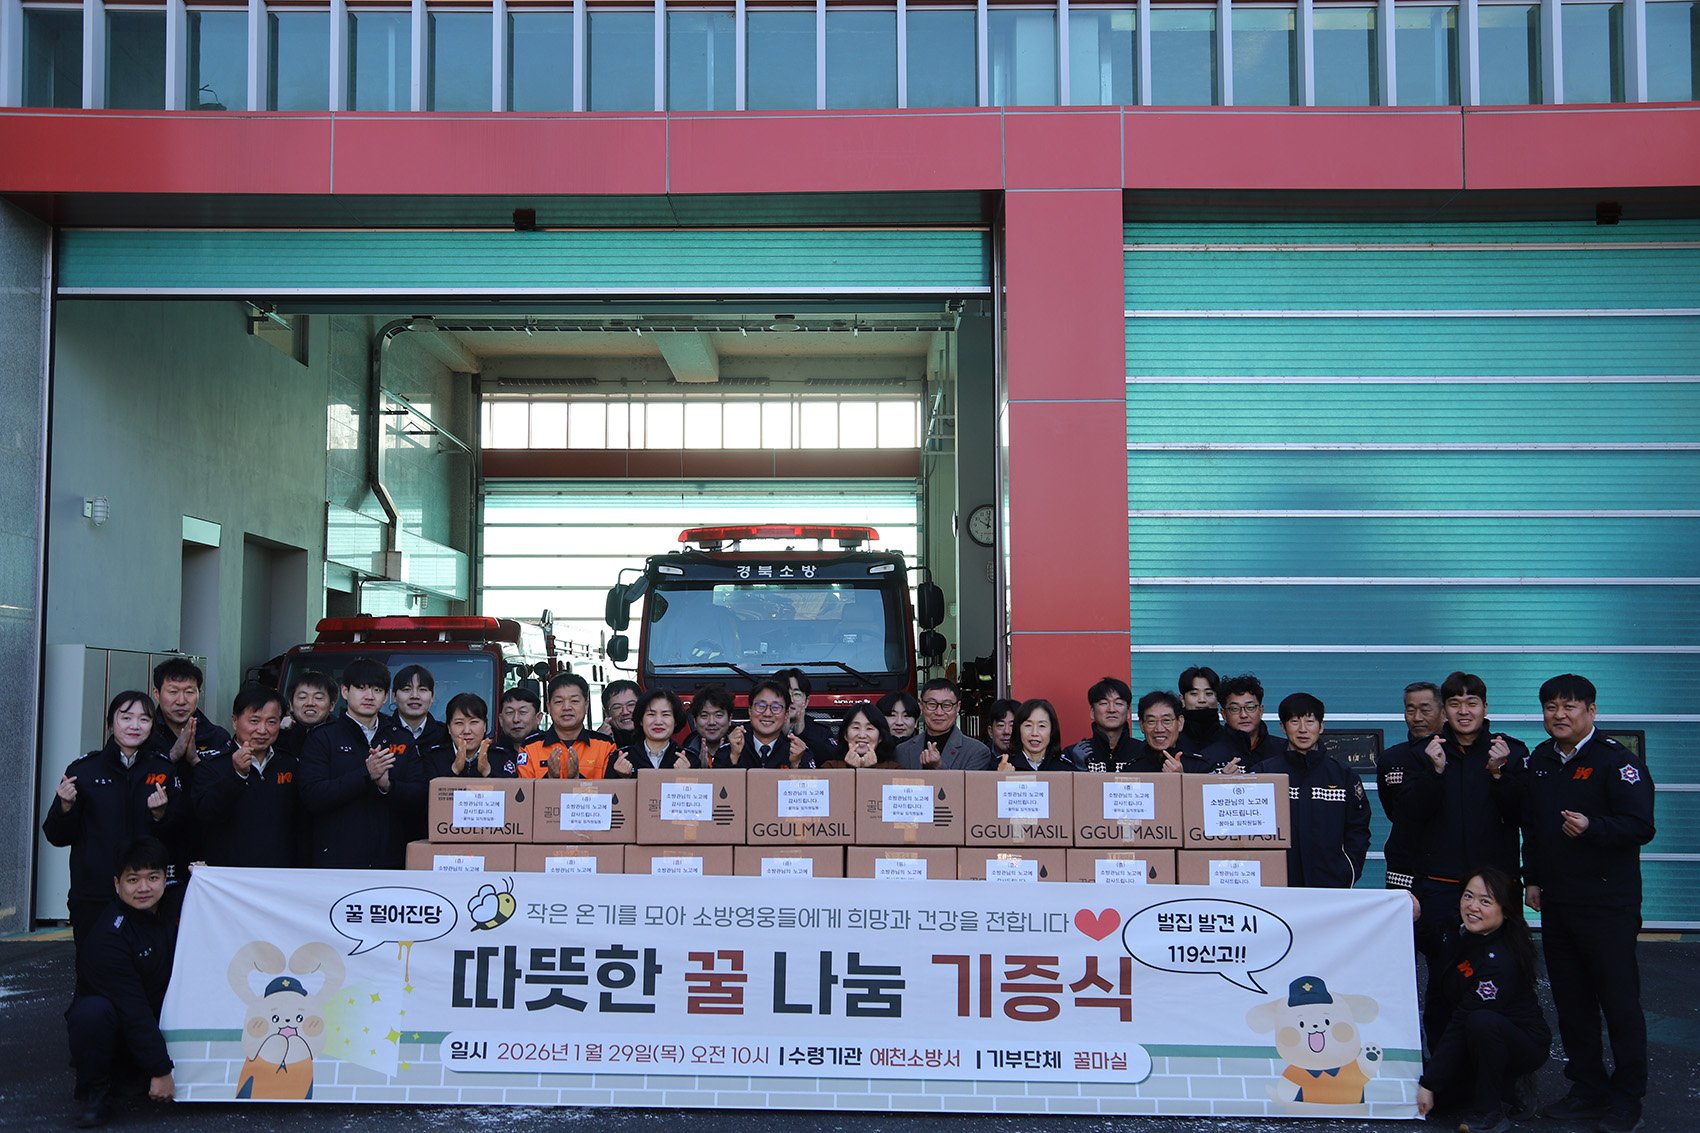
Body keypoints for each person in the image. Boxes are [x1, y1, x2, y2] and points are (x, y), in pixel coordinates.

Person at [1516, 674, 1654, 1133]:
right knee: (1572, 1004)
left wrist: (1595, 827)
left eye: (1569, 706)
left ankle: (1627, 1098)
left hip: (1607, 904)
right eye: (1551, 707)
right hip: (1559, 903)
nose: (1559, 715)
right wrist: (1533, 879)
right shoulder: (1540, 760)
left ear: (1591, 711)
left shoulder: (1617, 761)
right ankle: (1588, 1088)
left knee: (1619, 1003)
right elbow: (1533, 826)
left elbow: (1640, 826)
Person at [1414, 867, 1550, 1133]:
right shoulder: (1460, 926)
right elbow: (1436, 947)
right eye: (1468, 896)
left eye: (1485, 901)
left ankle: (1490, 1110)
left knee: (1481, 1021)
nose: (1473, 906)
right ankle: (1506, 1086)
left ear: (1505, 910)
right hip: (1474, 1040)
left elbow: (1462, 1022)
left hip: (1520, 1044)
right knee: (1435, 1102)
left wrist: (1429, 1084)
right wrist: (1417, 919)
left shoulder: (1498, 962)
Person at [44, 693, 184, 948]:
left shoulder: (163, 770)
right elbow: (57, 836)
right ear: (111, 723)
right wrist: (65, 807)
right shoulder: (84, 770)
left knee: (150, 965)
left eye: (144, 719)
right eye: (126, 718)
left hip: (147, 895)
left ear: (152, 725)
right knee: (93, 964)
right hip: (94, 892)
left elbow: (179, 834)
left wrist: (160, 815)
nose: (135, 726)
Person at [63, 837, 178, 1128]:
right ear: (117, 884)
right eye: (133, 879)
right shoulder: (109, 939)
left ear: (165, 879)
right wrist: (161, 1070)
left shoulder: (171, 908)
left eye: (153, 878)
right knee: (91, 1013)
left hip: (160, 1021)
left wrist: (205, 875)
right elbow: (133, 1010)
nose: (144, 888)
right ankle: (96, 1093)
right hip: (123, 1033)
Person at [1400, 672, 1527, 924]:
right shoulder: (1424, 752)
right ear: (1444, 711)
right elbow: (1409, 814)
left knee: (1503, 948)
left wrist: (1498, 773)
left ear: (1485, 708)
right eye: (1455, 704)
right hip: (1439, 881)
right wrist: (1434, 772)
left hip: (1497, 880)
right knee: (1441, 947)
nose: (1464, 711)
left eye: (1472, 703)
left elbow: (1523, 813)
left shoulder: (1510, 751)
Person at [295, 657, 424, 869]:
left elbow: (420, 796)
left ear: (385, 697)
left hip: (390, 862)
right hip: (337, 861)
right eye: (361, 688)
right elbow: (312, 796)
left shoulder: (401, 738)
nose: (369, 696)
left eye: (377, 690)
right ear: (345, 692)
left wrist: (388, 787)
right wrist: (365, 774)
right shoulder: (323, 737)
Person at [1256, 693, 1371, 888]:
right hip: (1277, 886)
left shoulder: (1343, 776)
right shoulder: (1265, 772)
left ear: (1321, 726)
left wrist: (1348, 870)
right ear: (1283, 727)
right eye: (1294, 722)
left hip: (1330, 885)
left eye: (1310, 721)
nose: (1303, 729)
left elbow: (1358, 829)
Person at [191, 685, 297, 867]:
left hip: (279, 873)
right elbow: (205, 814)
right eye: (254, 721)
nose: (262, 730)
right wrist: (237, 775)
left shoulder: (289, 764)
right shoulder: (211, 765)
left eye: (271, 722)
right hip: (229, 873)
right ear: (235, 721)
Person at [1376, 680, 1445, 892]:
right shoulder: (1391, 758)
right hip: (1404, 866)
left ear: (1443, 713)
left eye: (1425, 710)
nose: (1417, 718)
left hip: (1446, 868)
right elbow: (1393, 811)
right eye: (1410, 710)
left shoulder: (1456, 755)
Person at [518, 673, 619, 779]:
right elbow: (524, 789)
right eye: (559, 702)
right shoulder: (530, 748)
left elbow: (610, 789)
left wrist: (576, 778)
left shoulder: (605, 746)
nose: (566, 707)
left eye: (574, 701)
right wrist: (550, 777)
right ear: (549, 707)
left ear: (586, 706)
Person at [898, 678, 992, 770]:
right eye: (932, 704)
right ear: (921, 705)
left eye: (947, 705)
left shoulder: (976, 751)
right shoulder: (902, 751)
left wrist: (939, 766)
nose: (939, 712)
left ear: (958, 707)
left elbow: (969, 781)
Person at [1199, 673, 1285, 771]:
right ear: (1224, 714)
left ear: (1261, 711)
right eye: (1235, 709)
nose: (1243, 715)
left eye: (1250, 707)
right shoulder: (1209, 756)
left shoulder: (1283, 750)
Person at [724, 680, 814, 769]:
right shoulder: (730, 748)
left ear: (786, 714)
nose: (767, 713)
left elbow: (811, 778)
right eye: (761, 706)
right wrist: (734, 757)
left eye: (775, 707)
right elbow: (719, 777)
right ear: (750, 711)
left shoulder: (800, 751)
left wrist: (796, 764)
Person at [1122, 690, 1212, 773]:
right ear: (1142, 725)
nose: (1159, 729)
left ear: (1180, 723)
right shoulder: (1132, 770)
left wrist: (1181, 779)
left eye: (1166, 720)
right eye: (1151, 721)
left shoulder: (1200, 767)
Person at [430, 693, 515, 778]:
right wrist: (455, 769)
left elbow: (511, 785)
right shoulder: (433, 757)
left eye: (473, 722)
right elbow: (427, 785)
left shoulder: (502, 756)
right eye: (459, 723)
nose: (467, 731)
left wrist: (487, 772)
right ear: (449, 727)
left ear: (485, 726)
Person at [1065, 677, 1138, 772]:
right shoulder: (1072, 755)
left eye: (1118, 703)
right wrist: (1079, 768)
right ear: (1092, 712)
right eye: (1104, 703)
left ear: (1128, 712)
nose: (1111, 710)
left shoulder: (1142, 754)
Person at [616, 689, 694, 773]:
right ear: (641, 720)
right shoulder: (621, 759)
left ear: (675, 721)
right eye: (651, 714)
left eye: (666, 715)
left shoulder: (689, 760)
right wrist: (623, 777)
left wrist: (685, 776)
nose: (658, 722)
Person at [775, 668, 840, 763]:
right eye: (785, 694)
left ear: (806, 702)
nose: (791, 700)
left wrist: (803, 734)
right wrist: (781, 734)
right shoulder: (761, 728)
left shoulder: (821, 731)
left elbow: (833, 759)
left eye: (797, 694)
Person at [274, 670, 336, 763]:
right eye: (302, 697)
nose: (310, 703)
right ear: (291, 704)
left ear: (332, 705)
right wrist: (283, 732)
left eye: (318, 698)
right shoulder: (275, 734)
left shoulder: (342, 735)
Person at [999, 699, 1074, 772]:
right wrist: (1000, 777)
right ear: (1018, 729)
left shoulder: (1066, 769)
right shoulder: (1002, 765)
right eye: (1028, 725)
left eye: (1042, 726)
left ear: (1052, 730)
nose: (1034, 733)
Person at [683, 685, 736, 765]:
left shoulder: (742, 752)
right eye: (704, 716)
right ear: (694, 721)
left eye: (718, 715)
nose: (711, 722)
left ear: (729, 719)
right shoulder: (683, 754)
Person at [836, 703, 900, 769]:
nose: (862, 735)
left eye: (869, 728)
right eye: (856, 728)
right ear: (845, 735)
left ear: (880, 737)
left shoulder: (895, 769)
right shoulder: (831, 767)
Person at [1179, 665, 1223, 749]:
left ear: (1218, 699)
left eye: (1208, 693)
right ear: (1182, 699)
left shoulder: (1231, 739)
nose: (1202, 700)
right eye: (1194, 694)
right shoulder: (1172, 739)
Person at [598, 680, 640, 749]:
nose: (625, 712)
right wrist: (599, 742)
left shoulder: (656, 734)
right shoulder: (597, 741)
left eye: (631, 705)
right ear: (606, 713)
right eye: (617, 707)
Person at [984, 698, 1019, 762]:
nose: (1007, 731)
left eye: (1012, 726)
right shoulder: (980, 758)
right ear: (990, 731)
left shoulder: (1031, 760)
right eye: (1001, 725)